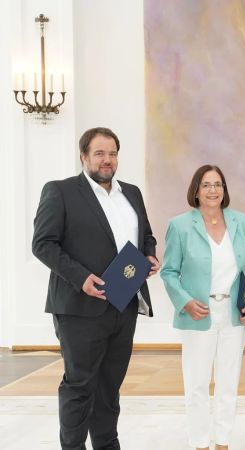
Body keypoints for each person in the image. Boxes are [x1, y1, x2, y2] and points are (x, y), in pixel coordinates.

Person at [32, 127, 159, 450]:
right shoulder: (61, 191)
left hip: (124, 303)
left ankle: (106, 444)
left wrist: (149, 254)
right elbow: (43, 244)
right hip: (78, 307)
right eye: (100, 153)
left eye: (113, 153)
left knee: (109, 386)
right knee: (79, 385)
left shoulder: (131, 193)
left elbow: (146, 234)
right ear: (84, 156)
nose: (107, 160)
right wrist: (82, 278)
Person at [160, 165, 245, 450]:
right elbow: (168, 272)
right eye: (206, 185)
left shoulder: (242, 222)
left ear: (224, 190)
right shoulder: (180, 225)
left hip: (234, 315)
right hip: (198, 314)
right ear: (196, 190)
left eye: (218, 184)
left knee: (228, 383)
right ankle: (200, 443)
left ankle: (223, 442)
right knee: (197, 385)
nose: (213, 190)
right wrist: (185, 302)